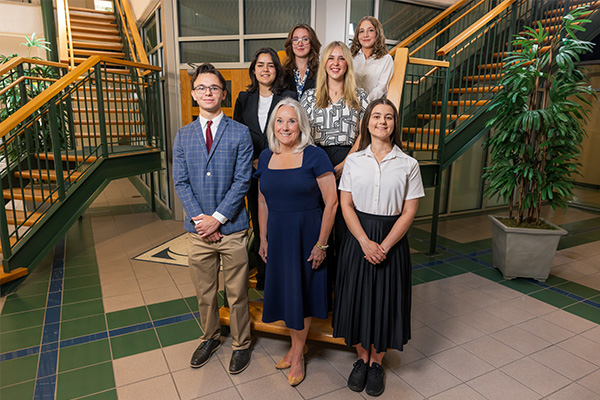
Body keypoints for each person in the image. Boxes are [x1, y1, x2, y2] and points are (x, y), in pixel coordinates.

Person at [332, 99, 424, 397]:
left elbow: (409, 212)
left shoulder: (409, 164)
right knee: (357, 298)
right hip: (357, 238)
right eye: (376, 116)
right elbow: (345, 204)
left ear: (395, 124)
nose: (382, 122)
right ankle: (361, 359)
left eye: (388, 117)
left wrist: (382, 246)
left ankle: (377, 362)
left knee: (387, 300)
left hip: (391, 241)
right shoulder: (355, 161)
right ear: (367, 122)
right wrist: (363, 241)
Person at [172, 63, 253, 375]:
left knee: (237, 293)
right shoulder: (183, 136)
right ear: (194, 94)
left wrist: (217, 219)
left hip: (232, 229)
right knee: (205, 293)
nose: (208, 92)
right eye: (202, 88)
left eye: (214, 88)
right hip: (198, 232)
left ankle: (242, 344)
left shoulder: (240, 133)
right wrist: (200, 221)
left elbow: (242, 181)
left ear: (224, 93)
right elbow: (181, 182)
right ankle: (210, 337)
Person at [254, 98, 338, 386]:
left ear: (301, 124)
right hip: (277, 235)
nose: (285, 126)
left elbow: (332, 202)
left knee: (301, 294)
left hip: (306, 234)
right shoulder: (266, 157)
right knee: (288, 293)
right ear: (272, 126)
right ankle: (294, 347)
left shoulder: (315, 156)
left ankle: (299, 354)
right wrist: (263, 238)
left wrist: (322, 244)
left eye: (291, 120)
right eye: (280, 121)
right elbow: (262, 200)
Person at [300, 41, 369, 305]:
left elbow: (364, 135)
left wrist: (344, 164)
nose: (336, 63)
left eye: (341, 58)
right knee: (319, 229)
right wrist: (322, 168)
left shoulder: (360, 97)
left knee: (344, 230)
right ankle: (319, 295)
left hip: (350, 163)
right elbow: (303, 135)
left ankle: (344, 298)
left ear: (347, 64)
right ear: (324, 64)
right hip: (316, 164)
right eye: (331, 58)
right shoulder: (308, 97)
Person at [234, 48, 296, 290]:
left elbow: (293, 129)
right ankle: (264, 277)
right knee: (260, 227)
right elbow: (239, 135)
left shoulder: (288, 96)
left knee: (281, 222)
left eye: (270, 65)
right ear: (253, 70)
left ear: (277, 70)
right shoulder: (243, 98)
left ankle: (284, 276)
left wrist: (271, 159)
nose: (265, 69)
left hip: (281, 170)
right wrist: (253, 161)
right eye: (260, 65)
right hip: (253, 172)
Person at [351, 16, 394, 102]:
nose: (365, 35)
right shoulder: (350, 57)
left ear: (377, 33)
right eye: (361, 31)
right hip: (349, 106)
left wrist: (364, 103)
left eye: (370, 30)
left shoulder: (386, 59)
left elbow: (381, 88)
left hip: (372, 107)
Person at [283, 24, 321, 99]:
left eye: (305, 39)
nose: (300, 44)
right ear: (291, 44)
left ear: (312, 43)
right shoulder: (283, 73)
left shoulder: (321, 72)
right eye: (295, 39)